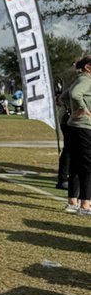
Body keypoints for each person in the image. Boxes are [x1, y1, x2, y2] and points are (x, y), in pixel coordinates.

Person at [62, 55, 91, 215]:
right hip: (84, 127)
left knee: (75, 165)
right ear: (88, 67)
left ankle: (73, 201)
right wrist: (81, 109)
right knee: (87, 167)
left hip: (74, 127)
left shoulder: (79, 79)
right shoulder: (86, 80)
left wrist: (73, 110)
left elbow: (63, 97)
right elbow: (74, 95)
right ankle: (85, 205)